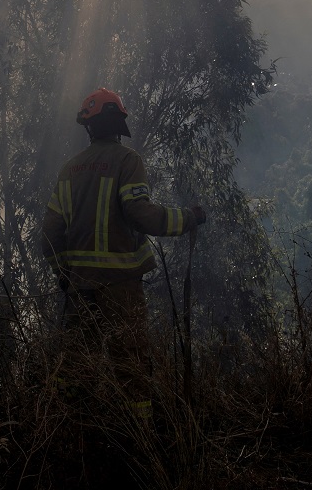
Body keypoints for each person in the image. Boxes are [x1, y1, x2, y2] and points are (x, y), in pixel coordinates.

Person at [39, 87, 206, 422]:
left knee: (74, 366)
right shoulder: (127, 161)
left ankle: (71, 433)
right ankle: (139, 436)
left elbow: (49, 236)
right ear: (118, 123)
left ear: (89, 126)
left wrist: (62, 272)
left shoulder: (69, 170)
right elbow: (141, 214)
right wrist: (189, 218)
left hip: (78, 290)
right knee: (130, 365)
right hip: (120, 289)